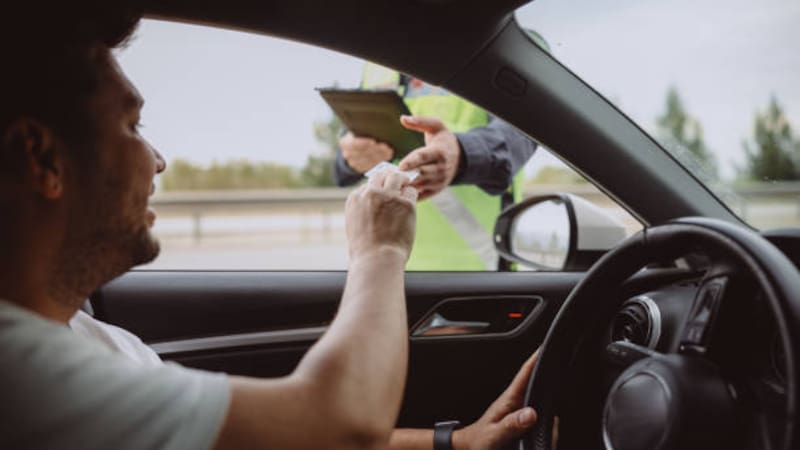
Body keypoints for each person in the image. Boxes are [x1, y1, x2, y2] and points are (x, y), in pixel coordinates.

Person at [0, 3, 539, 450]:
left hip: (471, 263)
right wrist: (378, 252)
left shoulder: (91, 342)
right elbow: (338, 423)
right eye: (132, 126)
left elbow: (283, 433)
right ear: (42, 160)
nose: (157, 159)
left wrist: (457, 443)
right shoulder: (25, 375)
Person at [334, 41, 547, 271]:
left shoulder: (507, 45)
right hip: (386, 269)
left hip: (477, 274)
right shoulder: (375, 62)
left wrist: (462, 154)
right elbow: (341, 168)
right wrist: (351, 156)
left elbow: (521, 133)